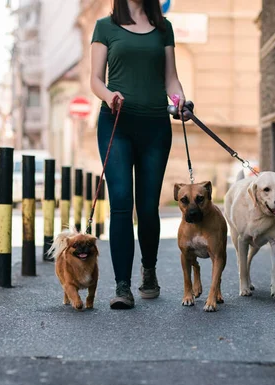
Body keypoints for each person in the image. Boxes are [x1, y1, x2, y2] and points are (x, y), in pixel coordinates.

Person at [90, 0, 188, 309]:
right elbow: (95, 78)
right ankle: (122, 286)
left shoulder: (164, 28)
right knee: (120, 200)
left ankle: (149, 269)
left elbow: (171, 78)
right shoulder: (105, 26)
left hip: (156, 126)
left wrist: (180, 100)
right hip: (116, 122)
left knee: (147, 206)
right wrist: (109, 96)